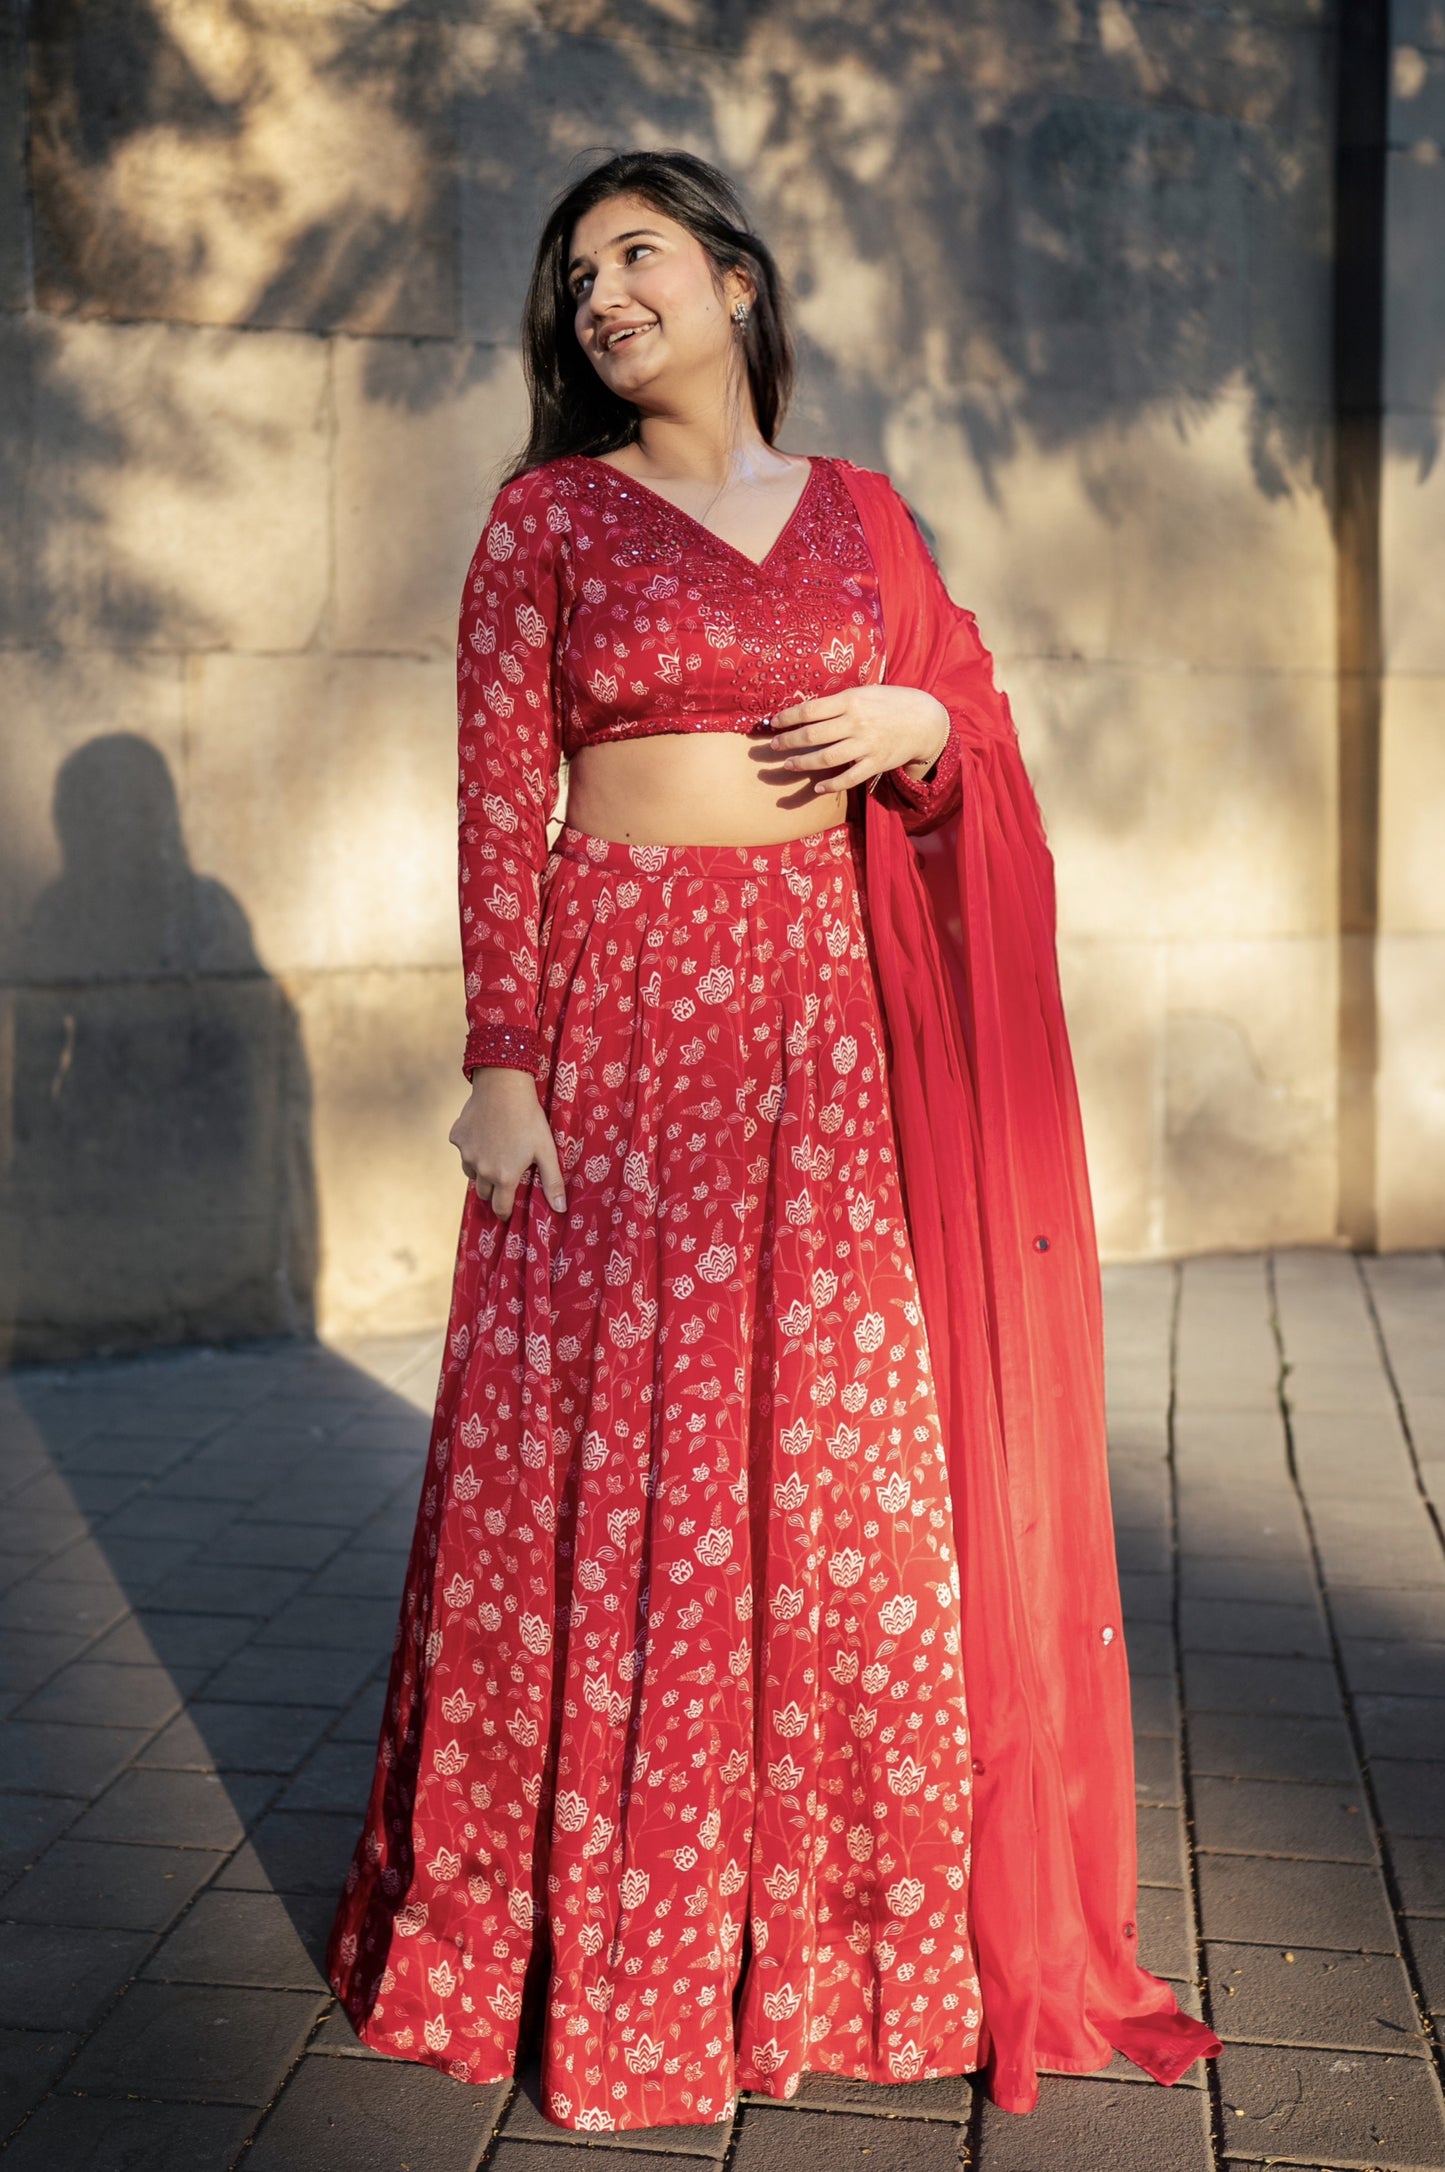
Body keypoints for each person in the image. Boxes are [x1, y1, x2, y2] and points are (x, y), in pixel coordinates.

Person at [324, 147, 1221, 2133]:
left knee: (838, 1471)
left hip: (826, 1031)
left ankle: (843, 1949)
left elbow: (965, 718)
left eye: (635, 255)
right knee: (608, 1470)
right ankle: (580, 1940)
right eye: (574, 280)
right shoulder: (546, 520)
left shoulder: (863, 519)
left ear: (737, 281)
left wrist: (922, 729)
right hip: (622, 1015)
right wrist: (502, 1056)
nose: (600, 297)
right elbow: (498, 797)